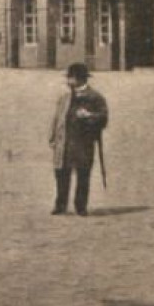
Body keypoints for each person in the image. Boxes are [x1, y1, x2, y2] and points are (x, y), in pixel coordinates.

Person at [49, 63, 109, 216]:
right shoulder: (65, 97)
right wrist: (52, 137)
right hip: (64, 142)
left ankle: (80, 206)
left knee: (83, 174)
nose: (68, 81)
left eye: (71, 78)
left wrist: (89, 116)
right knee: (61, 173)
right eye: (68, 78)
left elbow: (103, 117)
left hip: (83, 142)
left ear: (80, 79)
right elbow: (57, 118)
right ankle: (60, 205)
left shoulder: (94, 97)